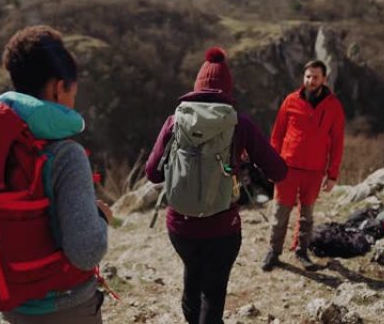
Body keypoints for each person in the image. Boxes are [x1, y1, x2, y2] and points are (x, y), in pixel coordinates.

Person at [146, 47, 287, 324]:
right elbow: (278, 171)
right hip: (222, 228)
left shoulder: (175, 121)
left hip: (181, 226)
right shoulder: (240, 124)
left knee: (192, 272)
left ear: (197, 87)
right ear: (227, 90)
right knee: (213, 291)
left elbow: (152, 173)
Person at [0, 25, 111, 323]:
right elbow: (86, 252)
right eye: (73, 91)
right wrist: (100, 219)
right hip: (66, 306)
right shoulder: (65, 154)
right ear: (59, 88)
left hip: (12, 302)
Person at [261, 60, 345, 272]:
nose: (311, 80)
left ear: (324, 79)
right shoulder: (291, 101)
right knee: (280, 213)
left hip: (315, 170)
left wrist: (332, 174)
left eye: (315, 77)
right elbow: (277, 134)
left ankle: (301, 251)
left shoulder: (334, 106)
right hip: (287, 167)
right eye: (308, 76)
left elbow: (337, 142)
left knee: (306, 216)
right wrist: (272, 164)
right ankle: (274, 251)